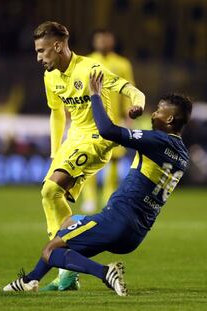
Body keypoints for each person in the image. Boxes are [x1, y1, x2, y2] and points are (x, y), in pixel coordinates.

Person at [3, 71, 192, 296]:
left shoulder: (157, 140)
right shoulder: (182, 154)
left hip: (116, 220)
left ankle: (105, 273)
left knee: (50, 250)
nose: (154, 113)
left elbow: (107, 131)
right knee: (68, 225)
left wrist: (95, 96)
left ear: (170, 119)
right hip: (136, 233)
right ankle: (30, 280)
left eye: (160, 110)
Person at [33, 21, 145, 290]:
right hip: (74, 139)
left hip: (98, 137)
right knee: (49, 195)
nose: (38, 57)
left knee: (52, 189)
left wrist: (138, 104)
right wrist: (54, 151)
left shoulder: (89, 68)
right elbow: (57, 112)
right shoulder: (50, 76)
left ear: (58, 46)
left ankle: (64, 267)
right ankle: (70, 268)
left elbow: (130, 89)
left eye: (42, 51)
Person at [82, 29, 136, 214]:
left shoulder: (122, 63)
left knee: (114, 161)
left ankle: (108, 198)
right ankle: (89, 199)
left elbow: (128, 89)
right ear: (94, 41)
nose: (103, 42)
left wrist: (129, 116)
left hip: (115, 120)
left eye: (106, 39)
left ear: (112, 41)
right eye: (100, 39)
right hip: (91, 119)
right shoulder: (86, 61)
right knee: (90, 160)